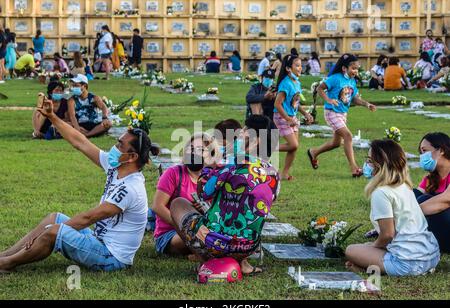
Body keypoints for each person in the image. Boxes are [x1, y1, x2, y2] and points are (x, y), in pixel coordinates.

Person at [0, 99, 159, 273]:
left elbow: (88, 218)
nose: (114, 147)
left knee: (54, 231)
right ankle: (5, 255)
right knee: (55, 218)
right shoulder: (117, 165)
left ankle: (6, 264)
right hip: (99, 241)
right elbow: (80, 142)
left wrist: (48, 232)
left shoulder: (131, 188)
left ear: (132, 157)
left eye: (120, 145)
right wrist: (52, 116)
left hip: (112, 258)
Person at [169, 115, 280, 275]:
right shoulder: (273, 174)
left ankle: (206, 261)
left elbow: (204, 192)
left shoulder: (230, 165)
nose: (239, 136)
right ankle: (243, 263)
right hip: (248, 246)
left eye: (243, 132)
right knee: (245, 217)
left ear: (256, 141)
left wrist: (210, 166)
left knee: (178, 203)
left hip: (215, 244)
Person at [345, 139, 440, 276]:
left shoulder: (381, 192)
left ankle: (368, 267)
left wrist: (374, 247)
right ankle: (368, 263)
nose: (366, 164)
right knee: (366, 246)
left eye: (370, 160)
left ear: (380, 165)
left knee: (351, 250)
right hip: (431, 256)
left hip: (409, 263)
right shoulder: (404, 186)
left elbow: (388, 234)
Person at [307, 54, 377, 177]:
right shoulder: (335, 78)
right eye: (353, 68)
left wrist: (366, 104)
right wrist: (328, 100)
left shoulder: (352, 81)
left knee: (336, 143)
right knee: (348, 136)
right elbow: (320, 88)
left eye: (357, 68)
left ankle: (313, 152)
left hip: (342, 114)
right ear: (344, 68)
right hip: (332, 113)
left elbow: (354, 98)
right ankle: (354, 168)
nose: (355, 71)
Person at [152, 133, 215, 256]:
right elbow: (157, 207)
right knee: (193, 239)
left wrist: (203, 209)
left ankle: (201, 248)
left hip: (202, 229)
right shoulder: (173, 173)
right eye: (191, 149)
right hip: (171, 233)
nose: (194, 153)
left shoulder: (212, 178)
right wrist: (184, 226)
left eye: (200, 150)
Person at [273, 54, 314, 181]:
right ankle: (266, 148)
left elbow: (295, 103)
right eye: (297, 65)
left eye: (301, 65)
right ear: (288, 68)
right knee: (293, 145)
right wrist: (287, 119)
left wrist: (306, 113)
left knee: (294, 147)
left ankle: (284, 173)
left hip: (292, 116)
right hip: (282, 117)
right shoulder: (286, 84)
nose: (300, 68)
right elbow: (277, 104)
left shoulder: (297, 82)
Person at [416, 132, 450, 253]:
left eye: (424, 151)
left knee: (424, 200)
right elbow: (413, 197)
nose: (422, 156)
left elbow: (445, 200)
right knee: (416, 196)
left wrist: (408, 215)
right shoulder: (431, 178)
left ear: (441, 150)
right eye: (420, 153)